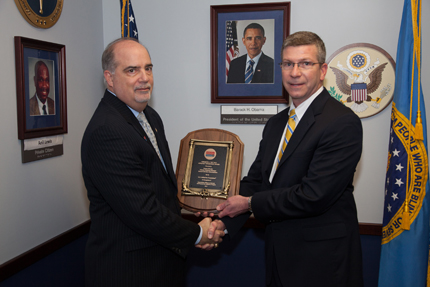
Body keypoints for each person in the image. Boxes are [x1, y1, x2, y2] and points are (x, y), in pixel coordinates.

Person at [210, 31, 364, 287]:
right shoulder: (276, 124)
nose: (295, 73)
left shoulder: (341, 122)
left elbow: (313, 196)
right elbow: (257, 179)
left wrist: (248, 203)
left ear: (323, 70)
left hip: (322, 263)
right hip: (277, 255)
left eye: (305, 63)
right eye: (288, 64)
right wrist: (220, 223)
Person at [81, 37, 223, 287]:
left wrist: (198, 200)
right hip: (129, 272)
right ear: (110, 78)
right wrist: (199, 233)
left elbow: (161, 186)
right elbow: (143, 212)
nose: (144, 77)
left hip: (162, 262)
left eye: (148, 68)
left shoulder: (149, 117)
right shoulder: (108, 131)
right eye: (132, 70)